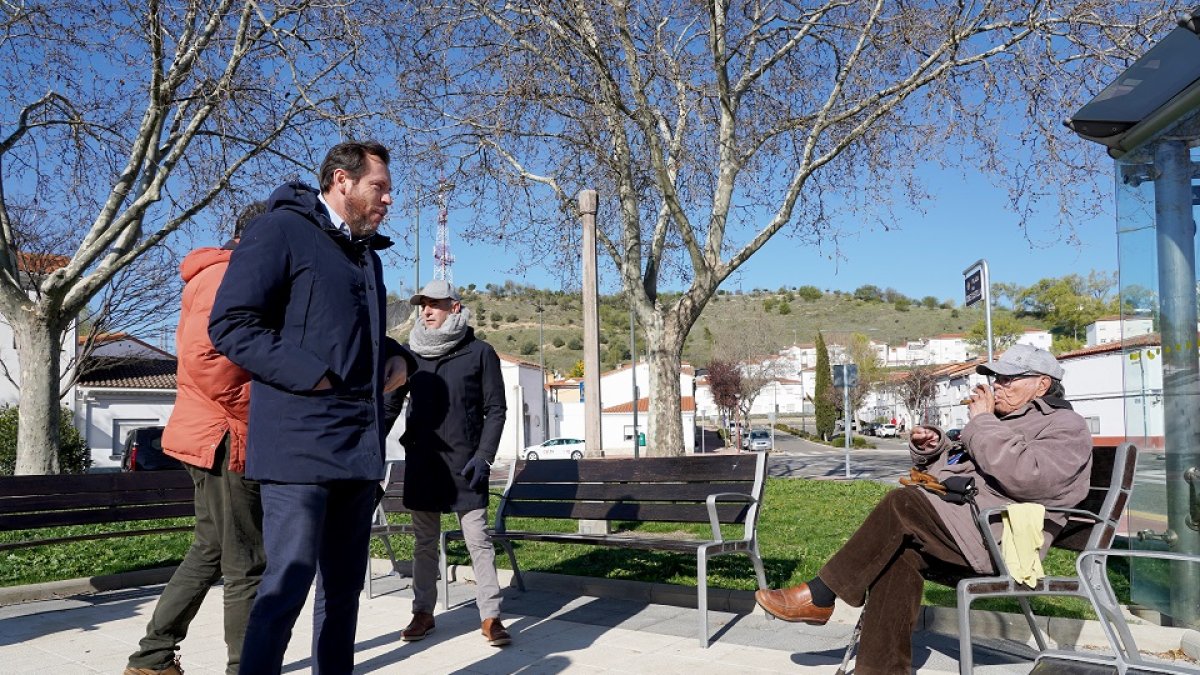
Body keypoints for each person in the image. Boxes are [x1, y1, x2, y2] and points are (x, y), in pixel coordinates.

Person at [754, 344, 1092, 674]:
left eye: (1008, 379)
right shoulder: (1004, 420)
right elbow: (957, 471)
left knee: (903, 503)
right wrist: (933, 449)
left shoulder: (1066, 426)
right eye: (996, 379)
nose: (997, 386)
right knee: (900, 554)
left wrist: (983, 423)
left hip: (1002, 541)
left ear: (1042, 384)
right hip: (967, 527)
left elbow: (1028, 478)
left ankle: (820, 595)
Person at [208, 141, 408, 674]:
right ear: (342, 181)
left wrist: (398, 356)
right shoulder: (279, 230)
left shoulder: (366, 256)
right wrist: (312, 374)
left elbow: (354, 336)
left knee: (343, 593)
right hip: (298, 449)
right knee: (286, 586)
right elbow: (231, 325)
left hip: (357, 451)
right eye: (379, 187)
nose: (388, 199)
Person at [124, 202, 266, 675]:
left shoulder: (218, 272)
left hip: (211, 433)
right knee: (246, 561)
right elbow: (210, 363)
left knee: (212, 549)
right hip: (225, 435)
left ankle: (152, 658)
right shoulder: (228, 274)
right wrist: (267, 413)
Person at [384, 280, 510, 647]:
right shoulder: (410, 355)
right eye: (423, 304)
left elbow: (496, 410)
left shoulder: (480, 353)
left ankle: (491, 616)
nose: (426, 311)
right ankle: (423, 613)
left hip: (466, 465)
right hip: (423, 463)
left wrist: (484, 456)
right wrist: (369, 443)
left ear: (454, 307)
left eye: (434, 304)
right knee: (424, 543)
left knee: (478, 542)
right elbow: (391, 406)